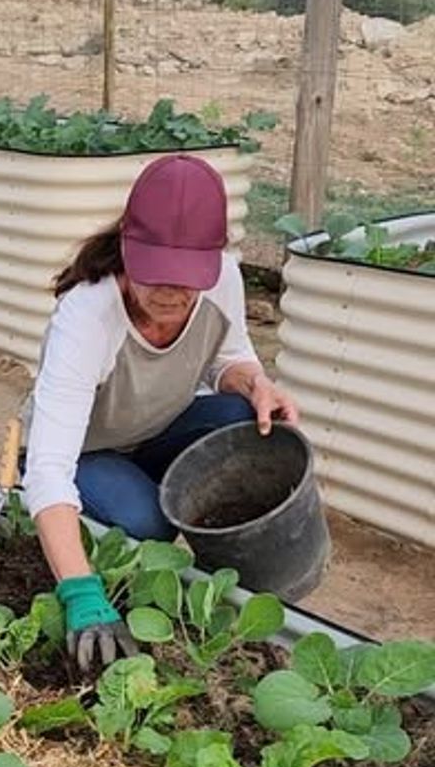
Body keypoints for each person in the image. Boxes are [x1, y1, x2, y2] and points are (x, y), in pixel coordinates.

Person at [21, 153, 298, 672]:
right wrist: (80, 593)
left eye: (185, 277)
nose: (171, 293)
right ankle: (121, 522)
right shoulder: (87, 316)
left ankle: (222, 585)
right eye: (156, 276)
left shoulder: (224, 281)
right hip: (88, 452)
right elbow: (48, 468)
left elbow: (227, 360)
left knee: (244, 420)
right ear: (128, 247)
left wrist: (259, 383)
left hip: (155, 430)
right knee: (147, 521)